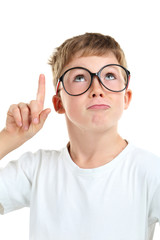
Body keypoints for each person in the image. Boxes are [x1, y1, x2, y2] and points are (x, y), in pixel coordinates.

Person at [0, 32, 160, 240]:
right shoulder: (36, 169)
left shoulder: (149, 171)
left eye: (109, 76)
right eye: (80, 77)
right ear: (59, 103)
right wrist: (9, 137)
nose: (97, 89)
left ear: (126, 98)